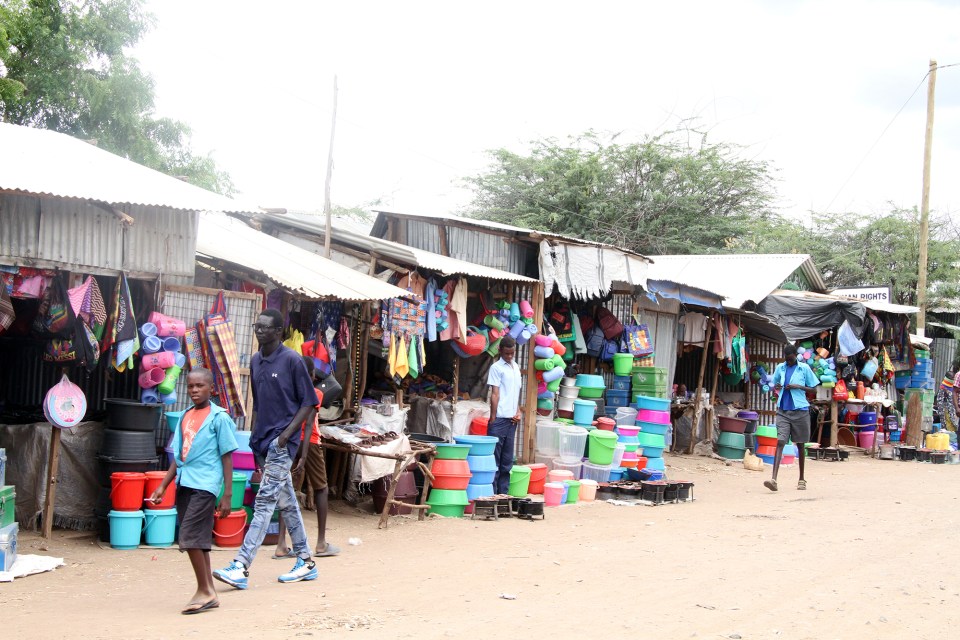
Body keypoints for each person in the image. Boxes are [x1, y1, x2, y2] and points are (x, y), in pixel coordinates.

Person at [214, 309, 319, 589]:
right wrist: (255, 439)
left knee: (263, 502)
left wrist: (285, 437)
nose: (259, 330)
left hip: (282, 443)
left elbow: (309, 403)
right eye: (256, 326)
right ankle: (306, 561)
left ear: (278, 332)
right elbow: (259, 405)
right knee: (287, 502)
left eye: (265, 327)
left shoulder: (293, 361)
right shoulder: (256, 361)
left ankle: (241, 565)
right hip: (263, 441)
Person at [150, 368, 238, 615]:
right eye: (190, 386)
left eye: (200, 386)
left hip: (206, 485)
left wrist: (227, 494)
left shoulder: (219, 418)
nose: (195, 390)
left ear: (212, 389)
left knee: (188, 534)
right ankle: (209, 589)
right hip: (185, 482)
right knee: (198, 538)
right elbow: (179, 456)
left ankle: (205, 591)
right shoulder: (185, 416)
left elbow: (227, 456)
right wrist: (163, 485)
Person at [274, 356, 340, 559]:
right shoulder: (316, 392)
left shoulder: (286, 392)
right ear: (312, 375)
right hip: (308, 444)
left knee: (288, 491)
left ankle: (281, 545)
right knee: (321, 488)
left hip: (287, 441)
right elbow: (310, 424)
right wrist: (303, 455)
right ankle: (320, 543)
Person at [765, 344, 819, 492]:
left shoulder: (804, 369)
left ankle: (801, 479)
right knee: (781, 441)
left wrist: (798, 386)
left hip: (800, 411)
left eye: (790, 359)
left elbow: (814, 389)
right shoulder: (780, 368)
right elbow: (774, 384)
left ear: (796, 356)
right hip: (783, 410)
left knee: (800, 444)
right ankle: (773, 479)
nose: (788, 362)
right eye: (786, 359)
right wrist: (776, 386)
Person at [486, 335, 523, 494]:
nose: (509, 356)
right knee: (494, 461)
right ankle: (492, 496)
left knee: (507, 462)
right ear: (500, 351)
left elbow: (516, 393)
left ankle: (503, 495)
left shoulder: (515, 367)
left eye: (512, 353)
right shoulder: (496, 368)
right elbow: (495, 394)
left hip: (512, 421)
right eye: (506, 353)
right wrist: (493, 419)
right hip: (499, 419)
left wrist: (518, 411)